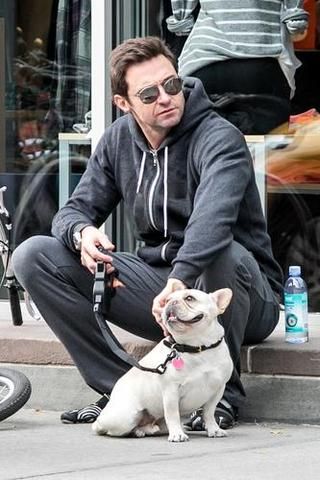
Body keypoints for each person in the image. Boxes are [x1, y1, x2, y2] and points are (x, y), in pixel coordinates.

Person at [12, 36, 283, 430]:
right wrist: (83, 233)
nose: (167, 97)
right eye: (149, 93)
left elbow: (213, 220)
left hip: (239, 294)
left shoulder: (219, 138)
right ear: (123, 103)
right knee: (33, 255)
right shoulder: (119, 140)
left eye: (172, 84)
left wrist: (180, 278)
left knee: (220, 250)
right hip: (164, 292)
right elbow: (73, 211)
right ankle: (123, 391)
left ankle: (223, 397)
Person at [166, 0, 309, 134]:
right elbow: (295, 21)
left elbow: (181, 17)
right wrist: (294, 18)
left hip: (204, 60)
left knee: (203, 151)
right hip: (262, 60)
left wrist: (181, 18)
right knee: (268, 154)